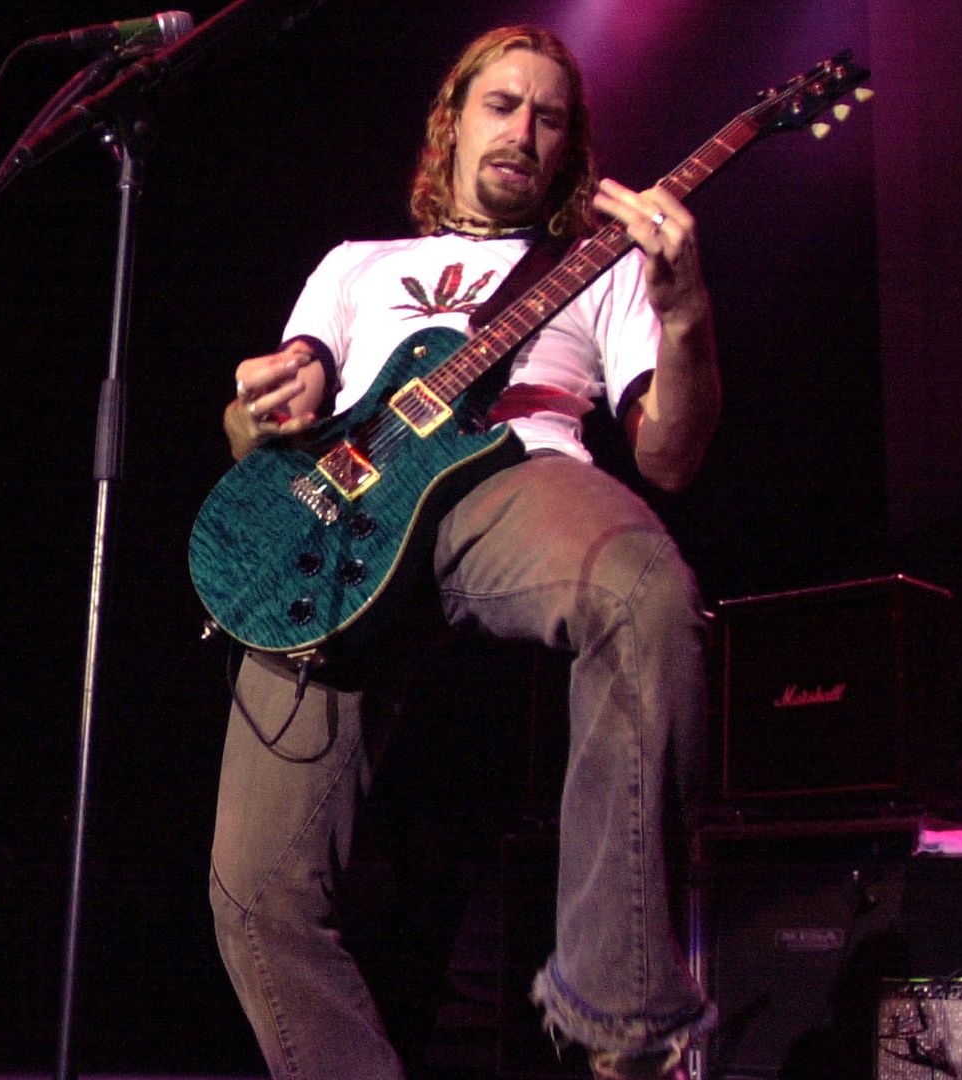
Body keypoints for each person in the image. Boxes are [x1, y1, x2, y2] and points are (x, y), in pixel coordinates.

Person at [209, 26, 719, 1080]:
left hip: (511, 479)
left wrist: (686, 318)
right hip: (344, 523)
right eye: (501, 104)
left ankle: (621, 1020)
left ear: (569, 147)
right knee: (255, 893)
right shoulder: (355, 266)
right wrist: (265, 408)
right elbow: (254, 427)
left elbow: (669, 457)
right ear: (452, 122)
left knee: (642, 591)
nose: (523, 130)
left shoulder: (601, 265)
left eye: (549, 116)